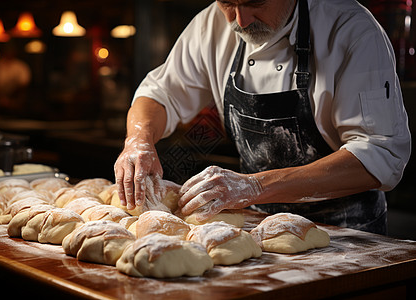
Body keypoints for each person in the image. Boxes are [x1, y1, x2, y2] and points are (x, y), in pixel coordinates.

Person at [114, 0, 411, 234]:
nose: (240, 21)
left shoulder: (351, 29)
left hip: (346, 236)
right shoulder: (211, 25)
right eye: (228, 3)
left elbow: (379, 154)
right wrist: (138, 140)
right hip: (257, 229)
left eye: (255, 2)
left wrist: (253, 187)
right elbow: (160, 93)